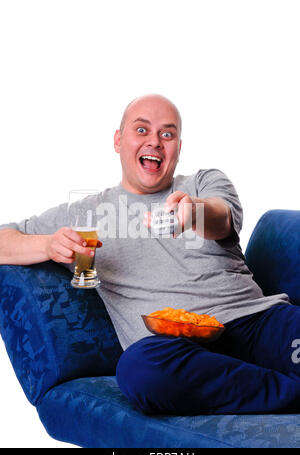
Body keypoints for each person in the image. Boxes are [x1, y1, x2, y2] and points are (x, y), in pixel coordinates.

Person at [1, 93, 300, 416]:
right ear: (118, 140)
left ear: (178, 148)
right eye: (141, 130)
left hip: (256, 321)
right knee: (140, 370)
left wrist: (192, 212)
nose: (155, 142)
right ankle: (290, 391)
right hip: (174, 349)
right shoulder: (85, 213)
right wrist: (47, 245)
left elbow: (222, 216)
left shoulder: (203, 182)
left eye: (167, 134)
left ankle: (270, 387)